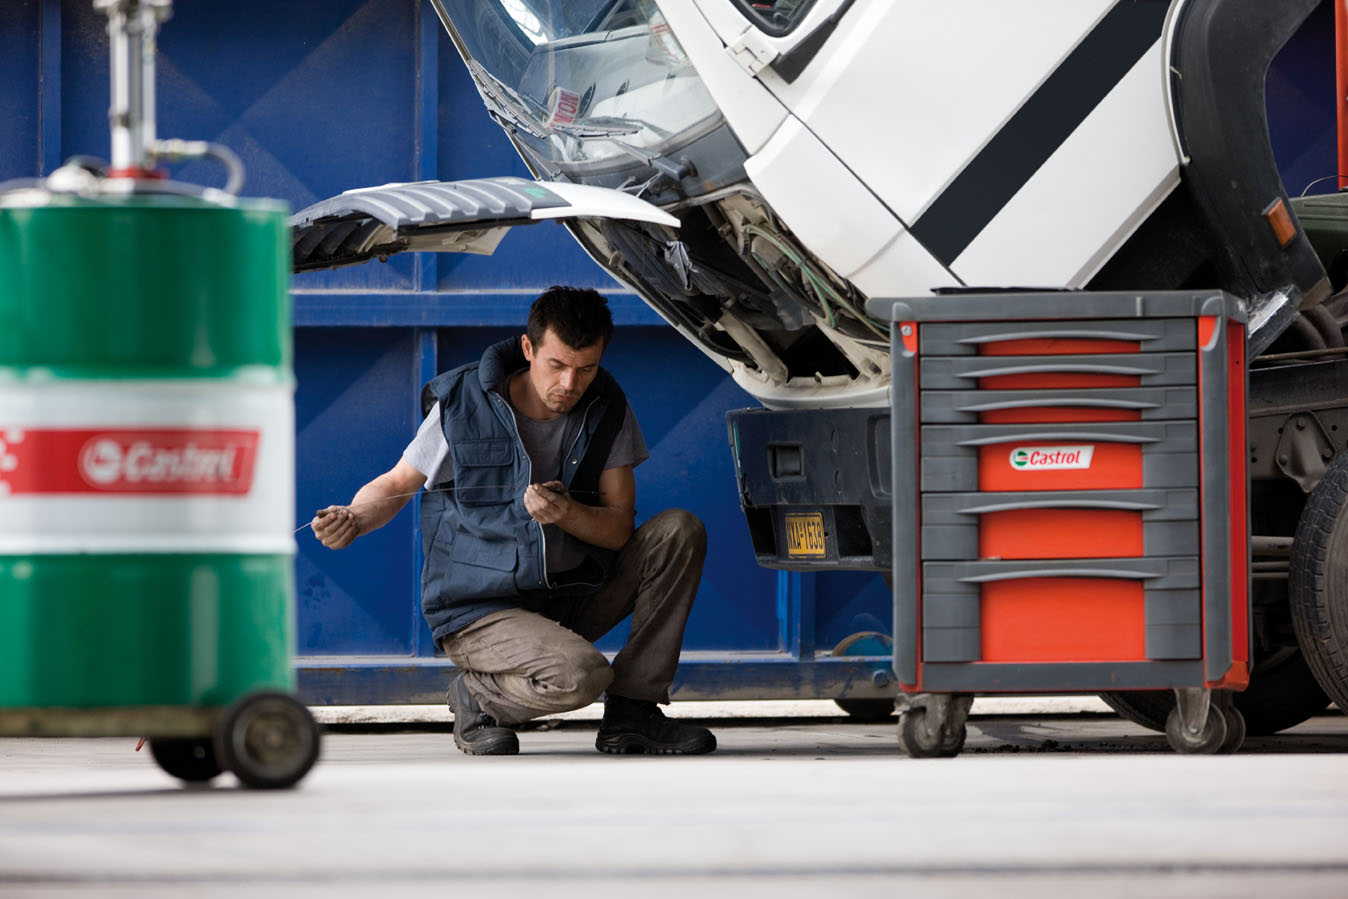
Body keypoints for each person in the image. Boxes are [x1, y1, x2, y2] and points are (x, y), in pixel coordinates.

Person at [312, 286, 715, 756]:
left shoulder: (607, 406)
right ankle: (476, 696)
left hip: (569, 597)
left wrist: (567, 514)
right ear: (528, 349)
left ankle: (633, 713)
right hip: (479, 611)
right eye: (557, 365)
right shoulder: (463, 401)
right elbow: (395, 483)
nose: (570, 383)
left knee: (678, 532)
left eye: (586, 369)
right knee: (582, 677)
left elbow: (618, 528)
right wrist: (355, 518)